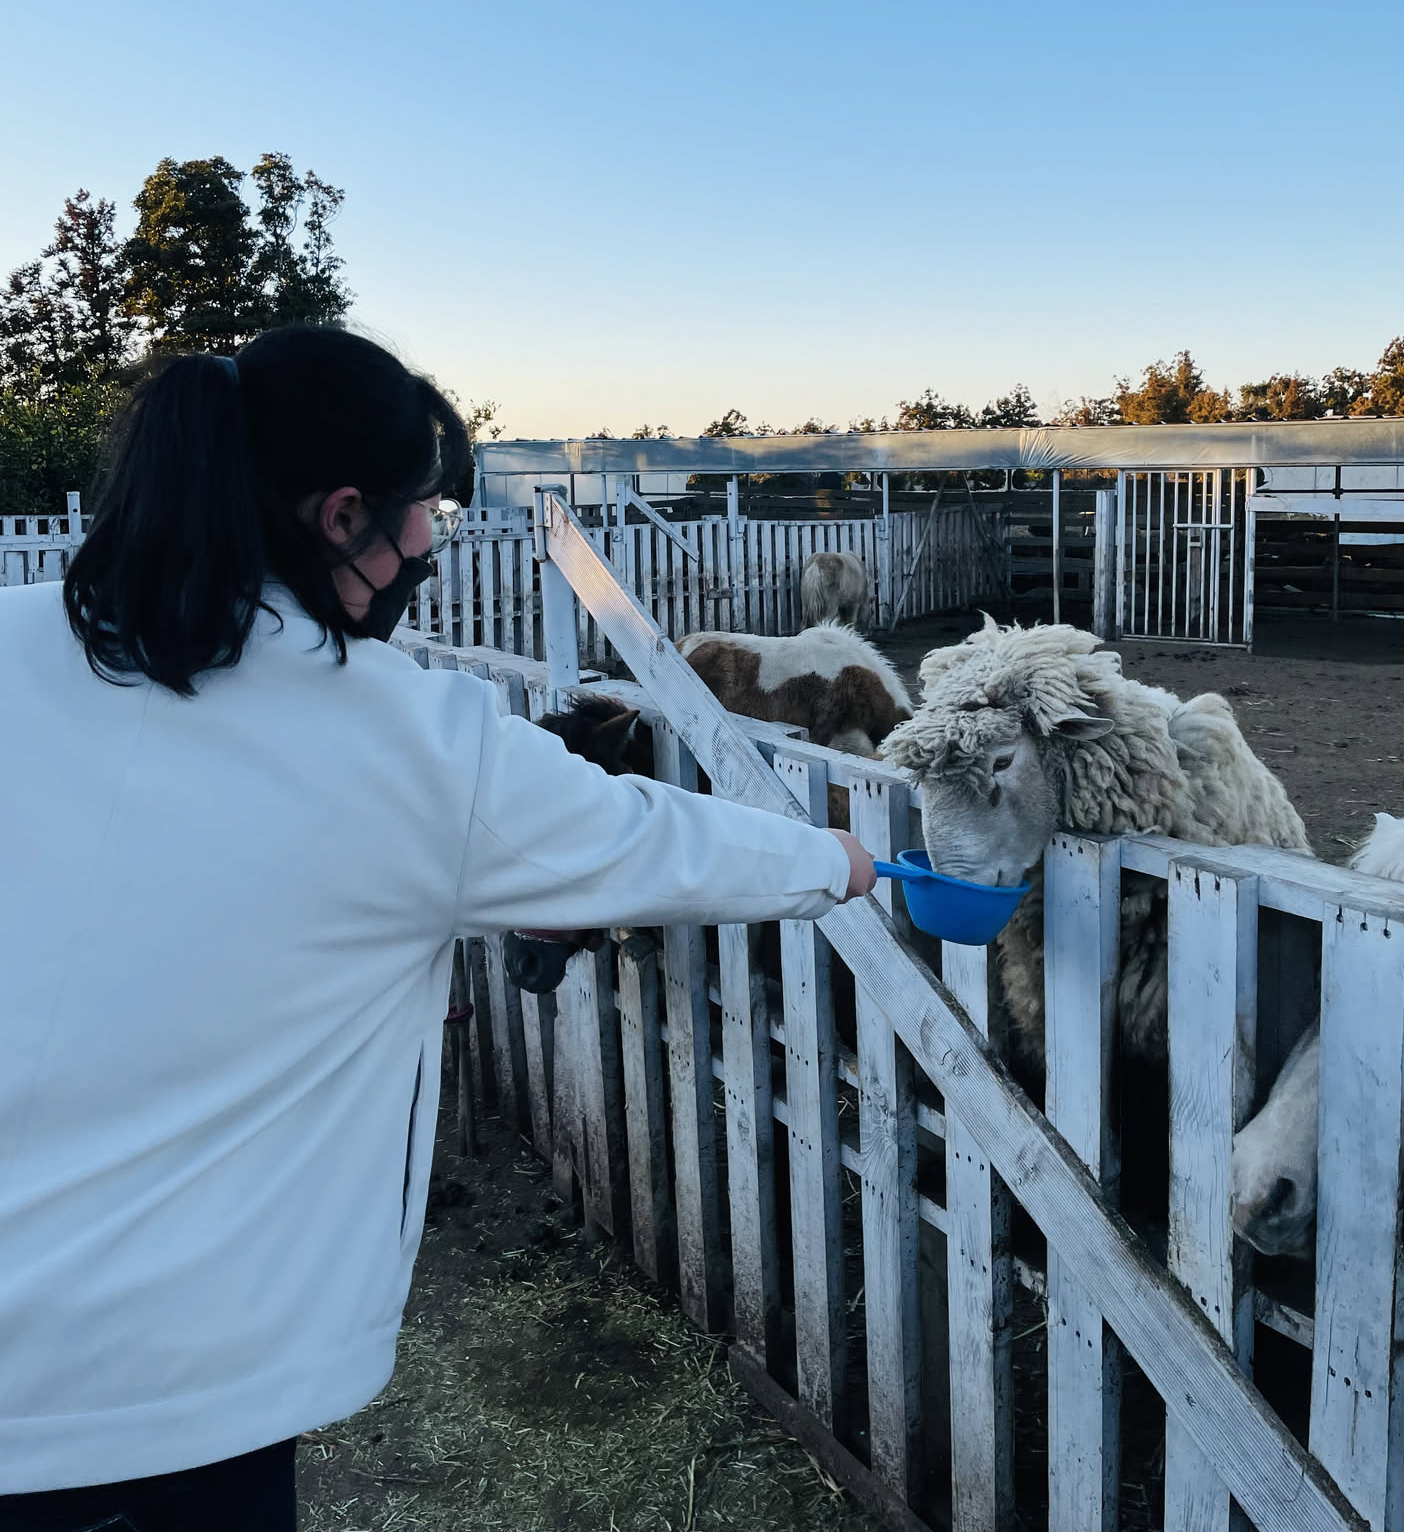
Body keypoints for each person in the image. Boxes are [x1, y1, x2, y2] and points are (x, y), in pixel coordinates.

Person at [0, 325, 875, 1530]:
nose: (430, 542)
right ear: (344, 518)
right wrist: (837, 858)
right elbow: (646, 841)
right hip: (148, 1406)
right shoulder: (404, 742)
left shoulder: (13, 641)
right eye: (429, 513)